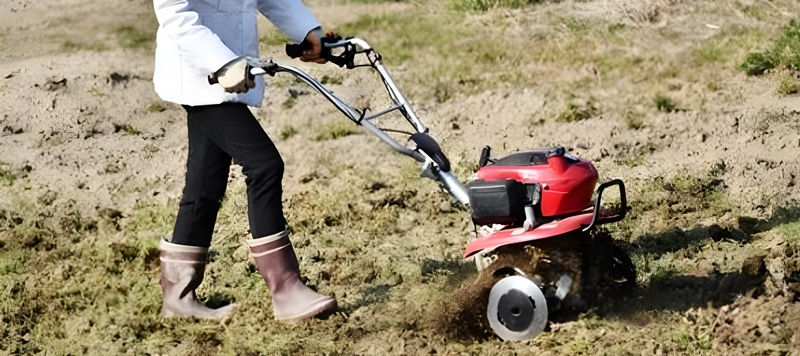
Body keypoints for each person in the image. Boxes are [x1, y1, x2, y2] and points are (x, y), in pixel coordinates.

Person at [152, 0, 336, 321]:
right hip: (200, 71)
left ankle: (178, 295)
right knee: (264, 165)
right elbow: (174, 13)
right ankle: (285, 287)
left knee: (205, 184)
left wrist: (308, 30)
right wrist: (222, 62)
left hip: (231, 72)